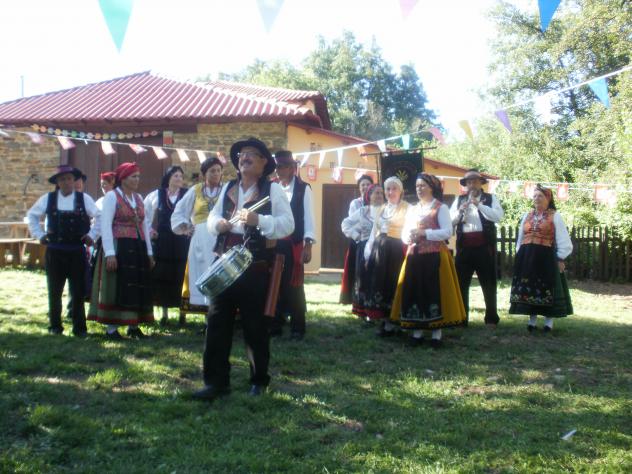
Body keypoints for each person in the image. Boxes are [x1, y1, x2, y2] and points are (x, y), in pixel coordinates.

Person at [193, 137, 294, 401]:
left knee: (255, 325)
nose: (244, 158)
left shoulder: (273, 190)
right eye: (241, 155)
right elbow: (212, 217)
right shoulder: (228, 187)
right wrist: (219, 225)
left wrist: (259, 219)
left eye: (251, 154)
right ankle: (215, 383)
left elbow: (288, 224)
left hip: (255, 265)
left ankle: (258, 381)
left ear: (263, 163)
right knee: (216, 323)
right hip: (224, 262)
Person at [392, 173, 466, 348]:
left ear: (431, 187)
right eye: (417, 186)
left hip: (435, 256)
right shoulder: (413, 209)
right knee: (415, 290)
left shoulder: (441, 208)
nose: (419, 189)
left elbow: (447, 232)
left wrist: (425, 233)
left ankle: (436, 334)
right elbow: (405, 232)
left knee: (434, 292)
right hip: (415, 255)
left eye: (422, 186)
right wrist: (408, 237)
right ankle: (417, 331)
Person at [26, 165, 99, 337]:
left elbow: (100, 216)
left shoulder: (84, 198)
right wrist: (39, 235)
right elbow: (32, 215)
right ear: (57, 182)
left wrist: (92, 235)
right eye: (62, 179)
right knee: (54, 290)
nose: (66, 182)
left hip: (76, 251)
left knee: (78, 291)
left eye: (69, 179)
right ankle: (55, 326)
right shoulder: (48, 198)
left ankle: (79, 328)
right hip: (55, 251)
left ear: (74, 180)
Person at [88, 162, 155, 339]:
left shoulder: (138, 198)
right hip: (119, 246)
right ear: (123, 179)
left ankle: (133, 325)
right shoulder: (112, 197)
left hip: (137, 246)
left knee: (135, 284)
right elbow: (105, 225)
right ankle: (111, 328)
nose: (137, 180)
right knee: (116, 284)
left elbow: (144, 225)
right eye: (134, 176)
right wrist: (110, 253)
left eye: (138, 176)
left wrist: (149, 252)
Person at [509, 184, 573, 332]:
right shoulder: (527, 215)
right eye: (535, 196)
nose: (536, 198)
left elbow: (564, 240)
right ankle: (532, 321)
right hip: (527, 257)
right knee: (530, 287)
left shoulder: (555, 216)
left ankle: (548, 323)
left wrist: (559, 258)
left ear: (548, 199)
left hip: (546, 258)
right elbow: (521, 237)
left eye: (540, 196)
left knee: (546, 287)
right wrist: (519, 254)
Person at [268, 150, 316, 340]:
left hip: (294, 244)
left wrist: (308, 245)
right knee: (274, 284)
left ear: (291, 168)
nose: (277, 171)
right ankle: (275, 324)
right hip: (274, 243)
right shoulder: (271, 187)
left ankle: (298, 327)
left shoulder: (303, 189)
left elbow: (308, 218)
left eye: (281, 167)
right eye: (276, 167)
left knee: (294, 285)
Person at [171, 157, 224, 323]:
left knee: (220, 274)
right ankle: (209, 320)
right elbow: (179, 211)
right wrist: (185, 227)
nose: (216, 174)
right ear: (204, 174)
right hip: (200, 237)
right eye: (212, 171)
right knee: (203, 273)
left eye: (218, 170)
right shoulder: (195, 190)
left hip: (221, 236)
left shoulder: (227, 190)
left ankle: (221, 317)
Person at [450, 169, 504, 327]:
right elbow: (450, 222)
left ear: (481, 183)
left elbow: (498, 217)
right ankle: (462, 319)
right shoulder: (459, 200)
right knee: (461, 284)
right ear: (466, 185)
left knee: (488, 283)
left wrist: (479, 205)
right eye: (469, 182)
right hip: (464, 247)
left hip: (484, 247)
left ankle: (491, 319)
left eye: (474, 181)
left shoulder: (490, 198)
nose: (471, 184)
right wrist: (460, 211)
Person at [363, 176, 409, 336]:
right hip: (380, 252)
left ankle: (397, 322)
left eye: (394, 188)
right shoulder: (381, 209)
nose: (390, 192)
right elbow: (373, 233)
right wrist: (368, 255)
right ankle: (385, 321)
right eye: (388, 189)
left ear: (401, 191)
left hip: (397, 251)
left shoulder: (408, 208)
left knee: (394, 284)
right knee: (380, 285)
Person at [144, 166, 190, 325]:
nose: (179, 179)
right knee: (163, 276)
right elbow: (145, 215)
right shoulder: (156, 195)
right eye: (175, 175)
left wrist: (190, 228)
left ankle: (182, 314)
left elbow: (194, 214)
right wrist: (150, 231)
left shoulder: (187, 195)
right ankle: (164, 314)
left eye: (181, 176)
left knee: (180, 276)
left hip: (181, 242)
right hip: (163, 242)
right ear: (168, 178)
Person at [341, 183, 384, 319]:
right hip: (364, 248)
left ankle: (378, 311)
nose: (379, 196)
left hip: (382, 249)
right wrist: (356, 236)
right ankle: (364, 311)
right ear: (369, 196)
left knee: (378, 279)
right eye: (376, 193)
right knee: (364, 278)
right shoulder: (362, 211)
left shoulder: (387, 211)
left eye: (381, 193)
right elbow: (345, 224)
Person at [340, 174, 374, 304]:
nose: (365, 187)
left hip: (373, 242)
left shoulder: (377, 202)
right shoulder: (355, 203)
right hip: (358, 241)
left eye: (368, 184)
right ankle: (355, 298)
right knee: (356, 270)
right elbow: (353, 223)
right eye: (362, 185)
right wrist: (359, 235)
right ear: (359, 188)